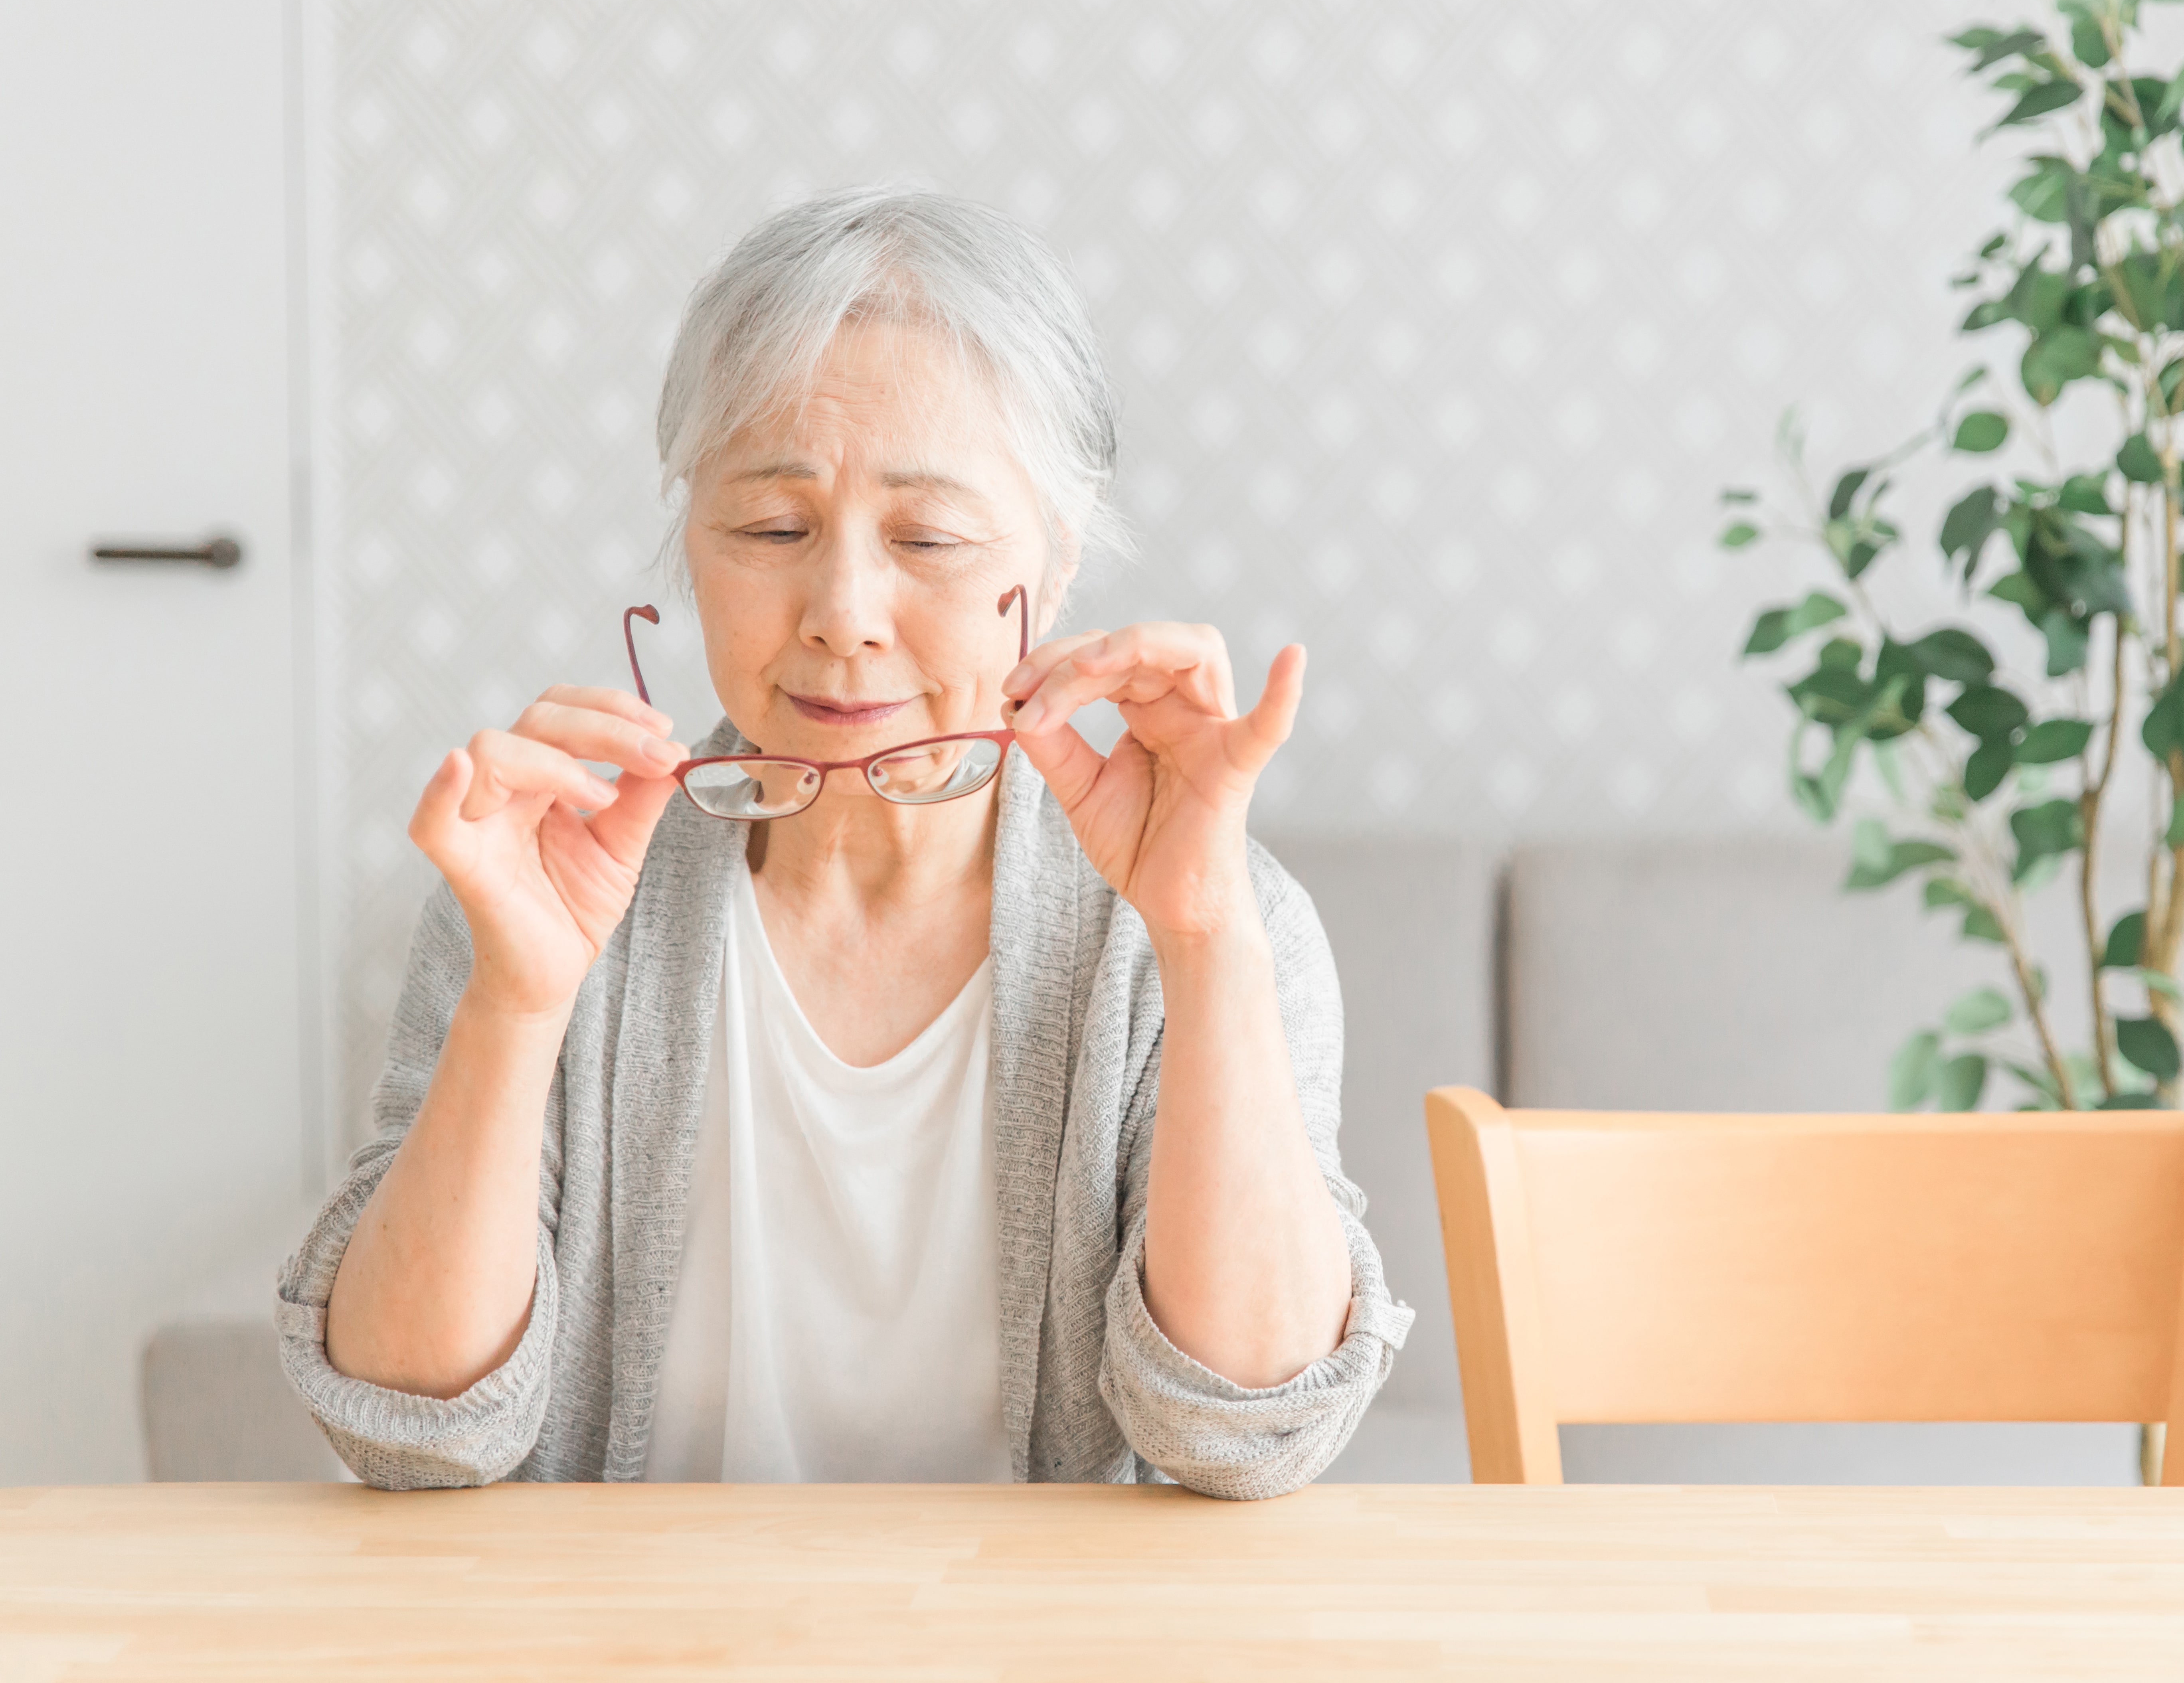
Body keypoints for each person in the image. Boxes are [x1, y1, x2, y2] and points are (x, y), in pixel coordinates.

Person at [277, 186, 1410, 1497]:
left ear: (1053, 565)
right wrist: (518, 1003)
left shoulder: (1215, 921)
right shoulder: (546, 899)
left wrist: (1206, 936)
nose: (843, 613)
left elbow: (1245, 1437)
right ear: (689, 543)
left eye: (926, 538)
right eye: (771, 529)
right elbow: (409, 1437)